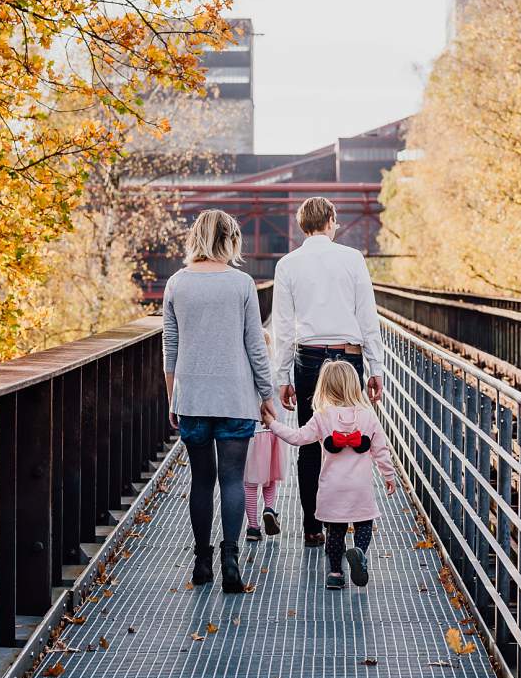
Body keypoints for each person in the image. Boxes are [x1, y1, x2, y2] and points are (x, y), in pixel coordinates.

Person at [162, 209, 276, 593]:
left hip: (192, 397)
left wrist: (172, 396)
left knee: (201, 480)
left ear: (196, 236)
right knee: (231, 479)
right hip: (235, 397)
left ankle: (201, 562)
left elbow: (170, 347)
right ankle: (231, 561)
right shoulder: (241, 284)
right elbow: (255, 346)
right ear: (230, 239)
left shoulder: (177, 284)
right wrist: (267, 394)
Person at [272, 196, 384, 547]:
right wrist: (376, 368)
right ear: (331, 220)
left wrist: (282, 377)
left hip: (308, 359)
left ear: (301, 224)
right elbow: (367, 316)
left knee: (310, 442)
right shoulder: (352, 259)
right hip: (348, 359)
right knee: (348, 439)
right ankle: (351, 521)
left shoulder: (288, 264)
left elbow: (283, 327)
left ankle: (313, 527)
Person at [263, 360, 396, 589]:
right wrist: (389, 475)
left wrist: (272, 424)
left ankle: (335, 574)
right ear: (356, 385)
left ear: (324, 387)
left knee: (335, 531)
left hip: (332, 487)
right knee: (364, 524)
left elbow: (297, 438)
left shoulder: (322, 416)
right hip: (361, 487)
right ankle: (359, 553)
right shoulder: (368, 415)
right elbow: (380, 450)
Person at [244, 329, 287, 542]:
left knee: (249, 482)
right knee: (270, 478)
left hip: (251, 433)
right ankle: (269, 509)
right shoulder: (274, 371)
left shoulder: (245, 372)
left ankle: (253, 527)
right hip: (273, 432)